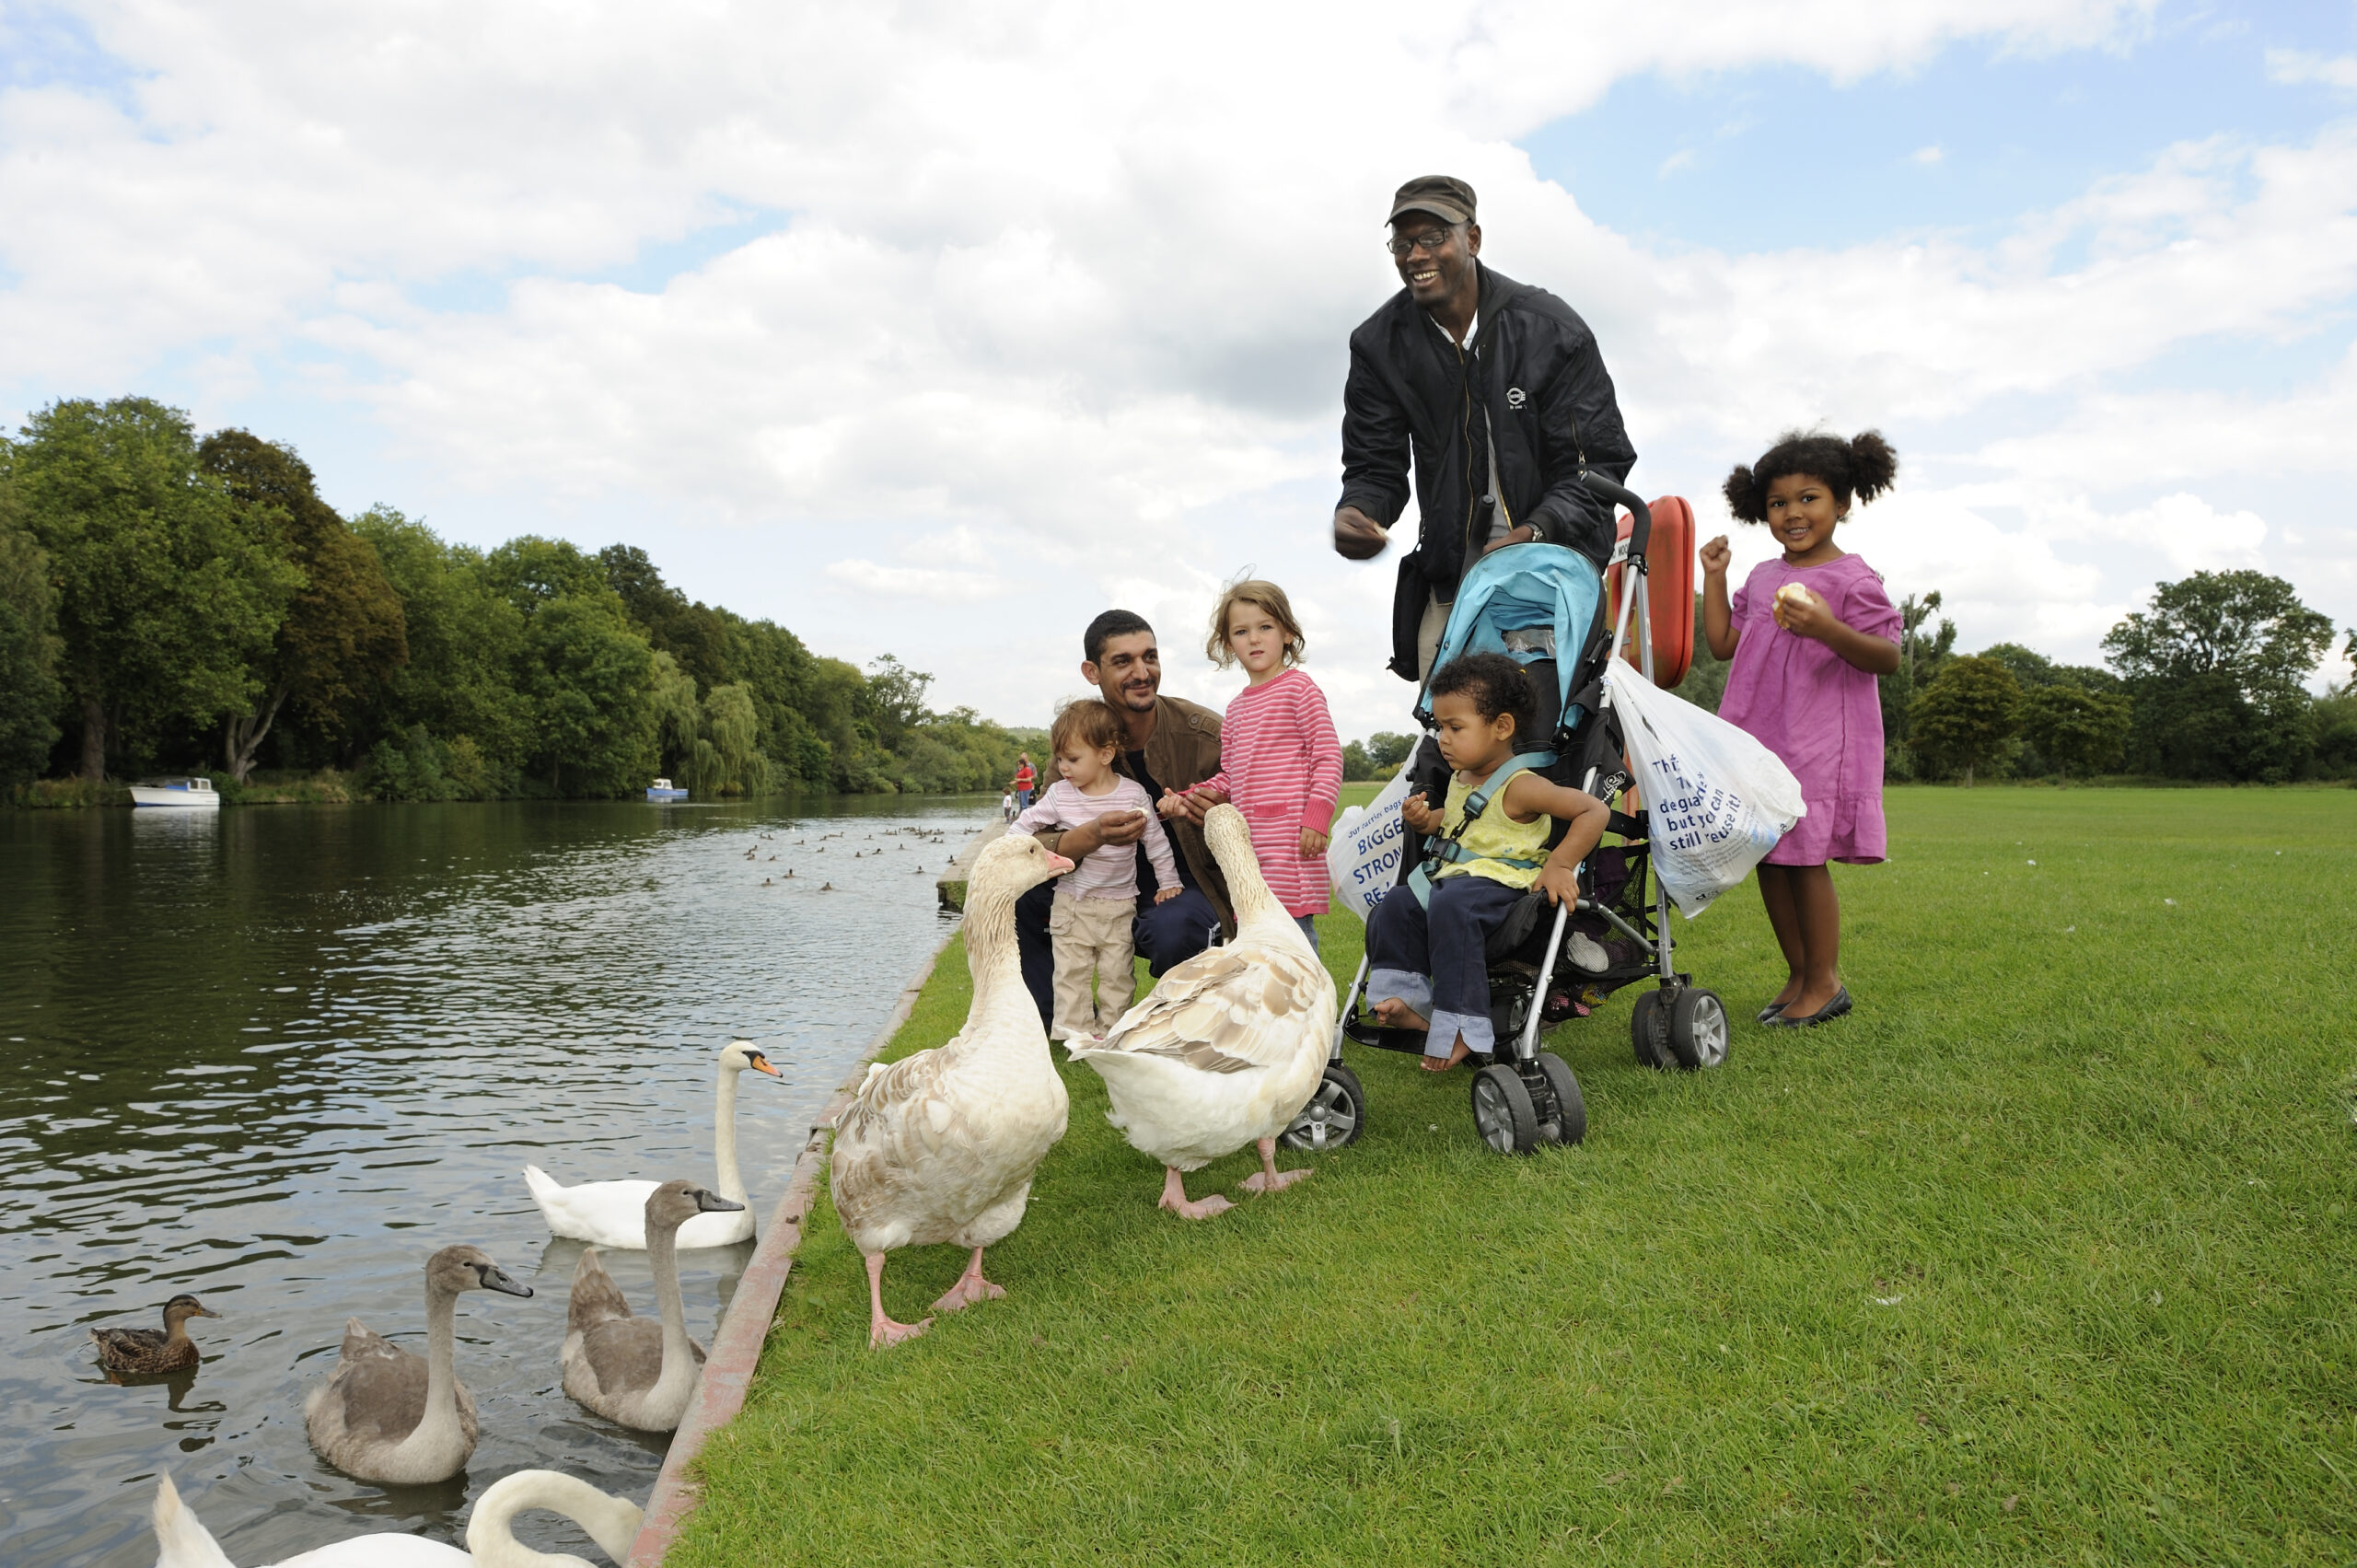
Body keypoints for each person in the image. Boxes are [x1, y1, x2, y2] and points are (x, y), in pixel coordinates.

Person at [1331, 174, 1638, 682]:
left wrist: (1533, 533)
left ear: (1471, 239)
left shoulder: (1552, 330)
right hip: (1455, 583)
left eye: (1433, 237)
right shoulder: (1377, 345)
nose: (1416, 255)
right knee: (1451, 740)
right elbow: (1374, 466)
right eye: (1402, 243)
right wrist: (1357, 511)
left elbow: (1596, 467)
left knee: (1540, 738)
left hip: (1552, 576)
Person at [1702, 429, 1904, 1029]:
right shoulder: (1763, 577)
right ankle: (1798, 972)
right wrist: (1714, 575)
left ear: (1843, 502)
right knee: (1770, 853)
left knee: (1806, 857)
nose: (1793, 513)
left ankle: (1826, 979)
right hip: (1761, 736)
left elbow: (1886, 656)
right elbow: (1722, 645)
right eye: (1778, 503)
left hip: (1820, 739)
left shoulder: (1852, 579)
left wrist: (1825, 628)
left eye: (1809, 498)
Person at [1364, 653, 1608, 1070]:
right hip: (1454, 881)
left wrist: (1561, 864)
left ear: (1501, 727)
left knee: (1452, 904)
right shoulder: (1461, 779)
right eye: (1440, 727)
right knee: (1396, 905)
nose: (1443, 738)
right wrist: (1427, 821)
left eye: (1455, 727)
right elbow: (1460, 825)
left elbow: (1594, 812)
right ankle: (1408, 1000)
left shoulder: (1523, 786)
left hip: (1504, 889)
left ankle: (1463, 1026)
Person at [1015, 610, 1233, 1028]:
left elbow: (1261, 809)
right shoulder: (1077, 743)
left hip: (1187, 884)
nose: (1142, 672)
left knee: (1176, 928)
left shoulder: (1206, 735)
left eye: (1149, 657)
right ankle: (1056, 1018)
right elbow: (1036, 838)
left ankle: (1186, 1024)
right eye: (1123, 661)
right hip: (1098, 882)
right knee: (1017, 894)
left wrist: (1217, 816)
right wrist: (1091, 835)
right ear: (1091, 671)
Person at [1160, 579, 1343, 954]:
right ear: (1229, 644)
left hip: (1291, 844)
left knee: (1292, 947)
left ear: (1288, 633)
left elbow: (1327, 755)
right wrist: (1188, 798)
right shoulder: (1237, 709)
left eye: (1265, 627)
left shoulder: (1300, 689)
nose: (1254, 639)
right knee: (1256, 947)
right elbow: (1230, 775)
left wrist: (1317, 818)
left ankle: (1306, 1011)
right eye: (1242, 632)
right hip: (1248, 852)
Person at [1014, 700, 1182, 1040]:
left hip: (1119, 904)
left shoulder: (1133, 794)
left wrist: (1169, 881)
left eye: (1073, 759)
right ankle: (1074, 1034)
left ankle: (1112, 1033)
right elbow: (1023, 826)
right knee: (1070, 973)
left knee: (1117, 974)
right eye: (1060, 759)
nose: (1063, 767)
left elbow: (1156, 842)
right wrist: (1007, 853)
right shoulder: (1060, 795)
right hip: (1071, 903)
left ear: (1105, 755)